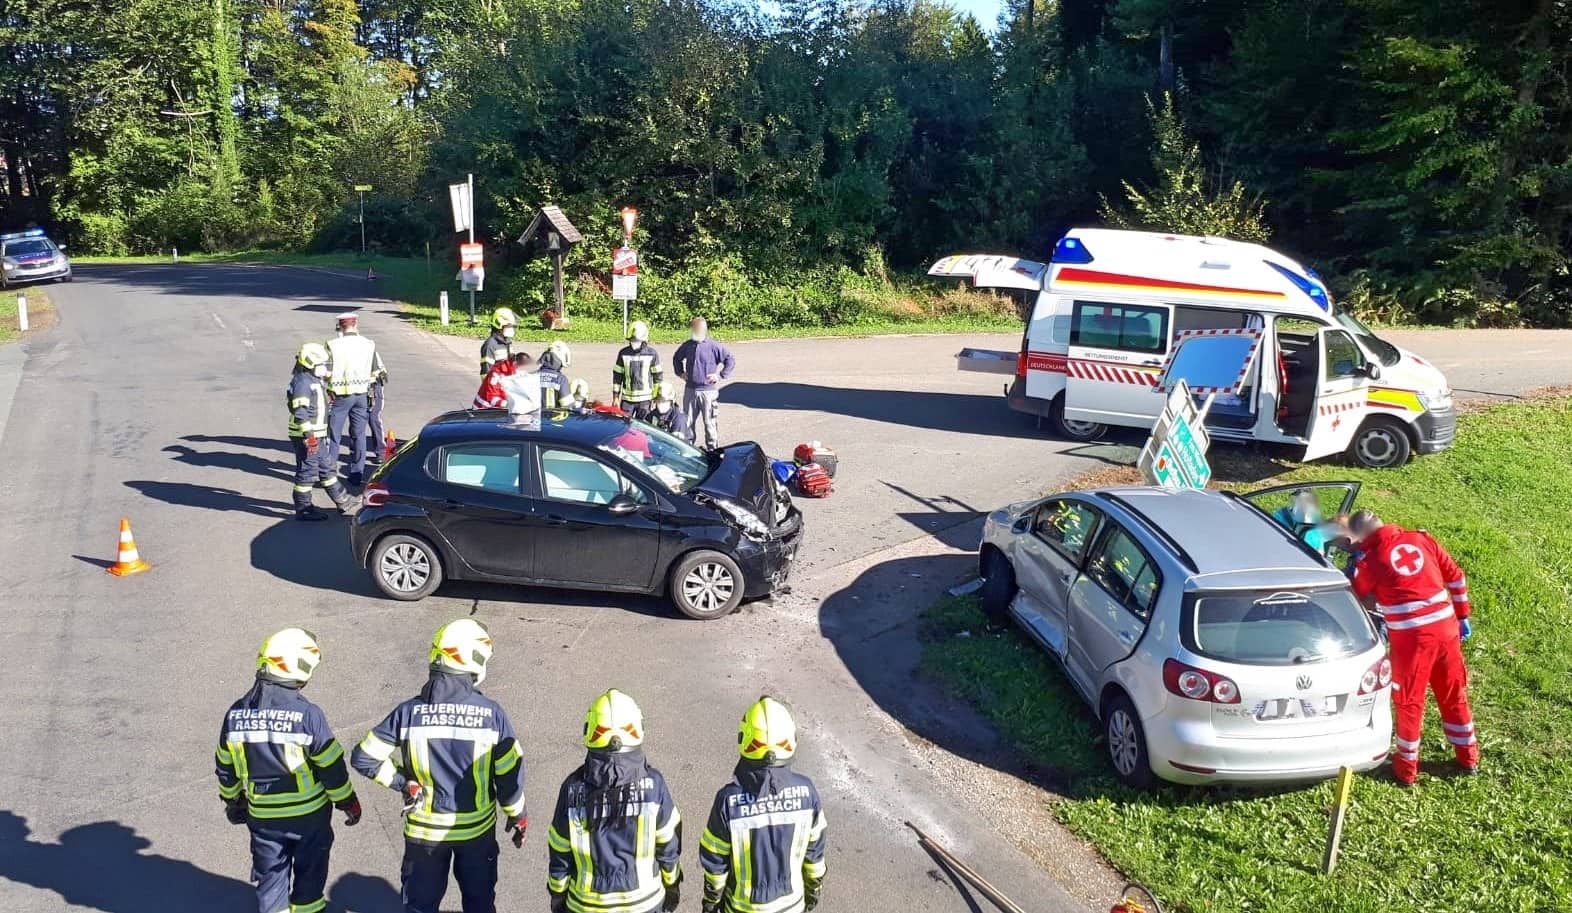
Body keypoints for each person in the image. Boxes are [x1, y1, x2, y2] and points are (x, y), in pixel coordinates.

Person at [350, 620, 527, 913]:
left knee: (420, 906)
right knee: (480, 904)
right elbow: (509, 775)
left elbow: (364, 757)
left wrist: (401, 783)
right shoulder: (491, 715)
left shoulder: (407, 713)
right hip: (475, 833)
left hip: (423, 835)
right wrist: (517, 815)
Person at [216, 628, 362, 913]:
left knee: (271, 878)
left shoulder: (235, 715)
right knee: (310, 875)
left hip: (262, 816)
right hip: (309, 817)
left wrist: (233, 800)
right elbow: (331, 766)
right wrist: (347, 801)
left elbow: (225, 765)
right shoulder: (307, 715)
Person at [1348, 511, 1478, 785]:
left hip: (1412, 639)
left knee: (1409, 700)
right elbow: (1455, 576)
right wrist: (1463, 615)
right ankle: (1468, 758)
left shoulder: (1371, 561)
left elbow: (1357, 594)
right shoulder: (1422, 540)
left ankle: (1406, 768)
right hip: (1446, 629)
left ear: (1360, 538)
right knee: (1453, 691)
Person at [546, 689, 681, 913]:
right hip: (645, 902)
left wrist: (557, 893)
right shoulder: (654, 785)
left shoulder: (572, 788)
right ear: (638, 730)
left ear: (589, 731)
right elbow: (669, 845)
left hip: (586, 904)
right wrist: (672, 884)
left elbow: (559, 850)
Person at [699, 697, 826, 913]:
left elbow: (715, 861)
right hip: (792, 906)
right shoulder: (808, 792)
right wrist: (813, 892)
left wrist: (711, 902)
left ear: (745, 739)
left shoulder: (728, 801)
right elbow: (814, 857)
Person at [287, 342, 358, 521]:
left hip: (316, 434)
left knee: (326, 466)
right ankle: (304, 508)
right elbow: (301, 412)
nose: (324, 367)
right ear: (311, 364)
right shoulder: (303, 382)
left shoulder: (311, 378)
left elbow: (326, 377)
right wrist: (309, 438)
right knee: (307, 471)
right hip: (306, 436)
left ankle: (343, 500)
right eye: (322, 364)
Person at [325, 312, 384, 487]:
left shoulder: (332, 345)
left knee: (334, 435)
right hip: (362, 396)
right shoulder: (369, 344)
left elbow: (326, 371)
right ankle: (357, 472)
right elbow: (375, 372)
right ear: (356, 325)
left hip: (340, 396)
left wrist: (328, 388)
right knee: (359, 435)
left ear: (340, 326)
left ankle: (329, 473)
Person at [672, 317, 735, 449]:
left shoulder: (714, 346)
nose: (696, 331)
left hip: (708, 392)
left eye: (699, 329)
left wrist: (720, 375)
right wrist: (680, 372)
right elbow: (677, 358)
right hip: (690, 390)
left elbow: (730, 359)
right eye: (694, 329)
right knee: (687, 422)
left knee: (710, 424)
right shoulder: (688, 345)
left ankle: (713, 451)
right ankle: (688, 449)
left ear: (704, 330)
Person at [613, 321, 663, 420]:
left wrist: (656, 397)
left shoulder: (652, 354)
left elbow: (658, 377)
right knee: (625, 428)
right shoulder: (623, 353)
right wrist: (615, 397)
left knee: (643, 429)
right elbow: (617, 376)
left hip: (645, 401)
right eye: (632, 340)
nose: (633, 342)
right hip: (627, 400)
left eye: (636, 340)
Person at [536, 340, 573, 410]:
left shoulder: (530, 377)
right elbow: (568, 405)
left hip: (532, 418)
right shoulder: (560, 379)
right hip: (552, 419)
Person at [365, 359, 389, 467]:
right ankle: (356, 450)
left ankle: (381, 452)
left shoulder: (369, 348)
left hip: (373, 387)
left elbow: (380, 371)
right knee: (357, 421)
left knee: (373, 418)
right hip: (355, 387)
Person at [481, 308, 518, 377]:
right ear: (499, 325)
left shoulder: (507, 342)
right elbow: (486, 372)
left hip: (508, 384)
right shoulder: (490, 345)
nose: (512, 329)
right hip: (496, 386)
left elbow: (511, 365)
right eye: (509, 326)